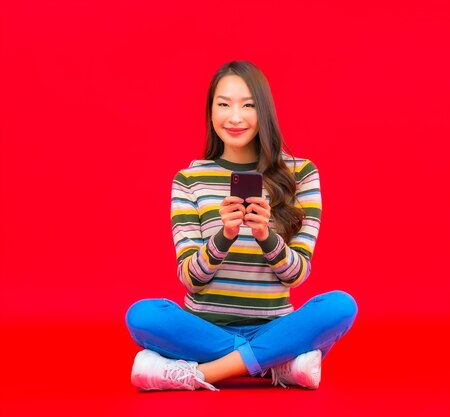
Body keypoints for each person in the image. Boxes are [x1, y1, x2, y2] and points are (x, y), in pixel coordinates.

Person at [125, 60, 358, 392]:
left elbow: (297, 274)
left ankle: (201, 373)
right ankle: (276, 365)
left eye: (248, 105)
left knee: (340, 306)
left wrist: (266, 236)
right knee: (143, 316)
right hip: (203, 328)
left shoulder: (301, 174)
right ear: (210, 111)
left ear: (264, 111)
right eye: (223, 104)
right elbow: (191, 278)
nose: (235, 117)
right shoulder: (189, 179)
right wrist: (225, 236)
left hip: (275, 328)